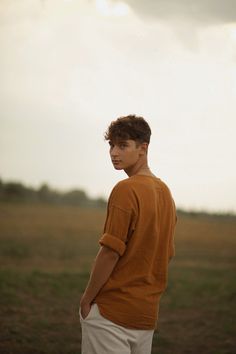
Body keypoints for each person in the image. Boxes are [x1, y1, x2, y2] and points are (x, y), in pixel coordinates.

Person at [79, 114, 176, 354]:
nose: (114, 152)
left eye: (123, 145)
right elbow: (166, 254)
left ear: (143, 148)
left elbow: (110, 252)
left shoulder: (126, 189)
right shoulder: (166, 194)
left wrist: (87, 300)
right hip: (145, 316)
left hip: (112, 314)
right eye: (111, 144)